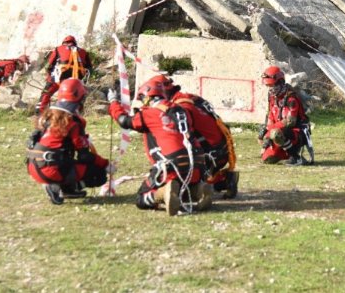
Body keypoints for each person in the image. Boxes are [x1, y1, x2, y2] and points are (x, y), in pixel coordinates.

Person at [107, 76, 211, 215]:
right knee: (180, 190)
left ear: (148, 97)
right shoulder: (182, 110)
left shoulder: (150, 113)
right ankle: (197, 190)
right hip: (198, 163)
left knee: (141, 198)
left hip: (172, 163)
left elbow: (124, 120)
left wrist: (114, 102)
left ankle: (163, 193)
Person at [26, 78, 113, 205]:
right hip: (51, 170)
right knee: (98, 174)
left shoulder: (48, 115)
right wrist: (105, 164)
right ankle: (56, 186)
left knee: (67, 159)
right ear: (79, 97)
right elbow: (85, 156)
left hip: (33, 166)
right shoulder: (71, 121)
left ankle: (68, 189)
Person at [156, 75, 239, 199]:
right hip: (220, 150)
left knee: (182, 189)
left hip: (211, 153)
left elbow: (183, 135)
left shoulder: (182, 107)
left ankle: (203, 183)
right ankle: (223, 179)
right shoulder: (189, 98)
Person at [258, 66, 313, 166]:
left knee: (275, 133)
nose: (270, 89)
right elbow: (270, 115)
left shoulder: (291, 98)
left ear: (280, 82)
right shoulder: (272, 97)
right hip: (279, 132)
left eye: (272, 85)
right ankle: (286, 153)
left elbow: (289, 122)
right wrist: (265, 132)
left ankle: (296, 157)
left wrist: (269, 133)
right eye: (268, 86)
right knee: (267, 159)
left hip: (297, 133)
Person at [36, 35, 94, 115]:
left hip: (60, 76)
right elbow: (90, 69)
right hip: (76, 80)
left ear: (64, 42)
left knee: (46, 92)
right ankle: (76, 114)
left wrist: (49, 77)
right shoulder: (83, 52)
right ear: (75, 43)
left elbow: (49, 65)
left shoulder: (58, 49)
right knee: (77, 96)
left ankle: (40, 112)